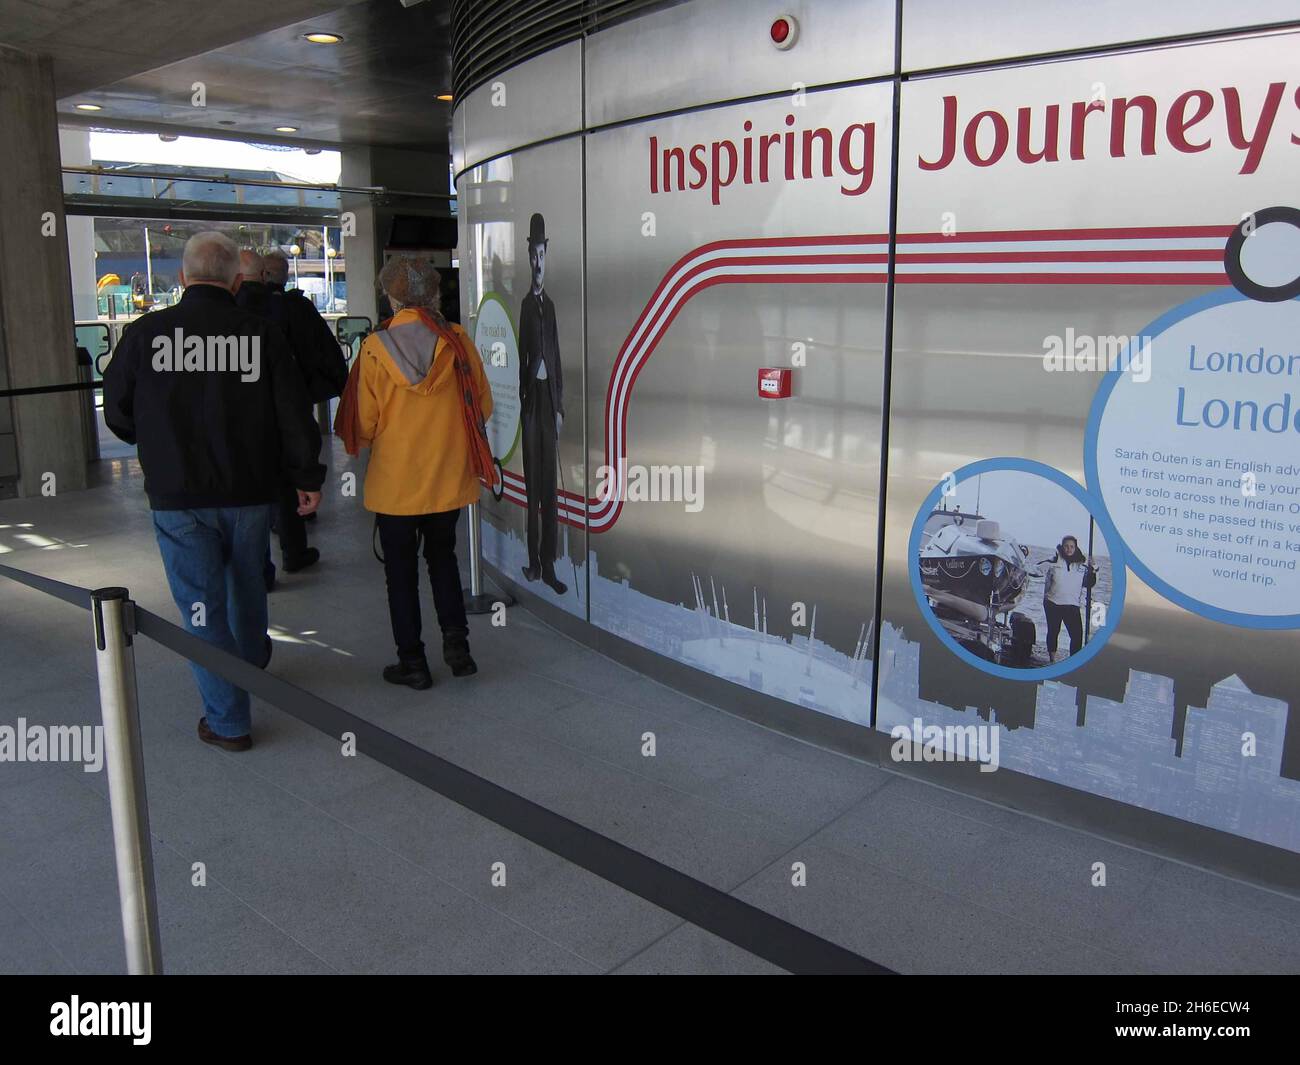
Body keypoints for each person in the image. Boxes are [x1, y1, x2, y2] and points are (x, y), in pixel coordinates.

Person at [103, 232, 325, 751]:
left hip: (178, 496)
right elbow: (294, 415)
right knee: (246, 583)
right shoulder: (262, 335)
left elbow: (117, 410)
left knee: (200, 607)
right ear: (237, 279)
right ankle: (248, 665)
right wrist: (307, 478)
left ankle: (228, 720)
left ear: (182, 277)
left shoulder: (146, 334)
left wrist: (153, 436)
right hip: (249, 491)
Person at [355, 256, 493, 689]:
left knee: (400, 572)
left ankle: (412, 663)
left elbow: (364, 423)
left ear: (392, 297)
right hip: (448, 478)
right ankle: (459, 649)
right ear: (434, 294)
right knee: (443, 559)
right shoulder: (456, 341)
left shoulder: (375, 349)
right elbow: (482, 406)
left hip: (396, 486)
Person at [517, 213, 567, 594]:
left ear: (546, 255)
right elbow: (520, 354)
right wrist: (521, 398)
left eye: (542, 253)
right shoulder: (524, 306)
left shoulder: (549, 306)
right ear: (528, 256)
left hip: (549, 403)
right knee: (533, 484)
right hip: (531, 402)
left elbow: (557, 354)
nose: (538, 261)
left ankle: (548, 563)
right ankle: (533, 562)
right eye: (533, 254)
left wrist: (560, 405)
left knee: (549, 486)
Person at [1039, 535, 1097, 662]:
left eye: (1072, 547)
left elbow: (1089, 584)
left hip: (1072, 605)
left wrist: (1092, 570)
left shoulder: (1082, 565)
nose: (1069, 549)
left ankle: (1073, 660)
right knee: (1053, 631)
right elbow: (1037, 570)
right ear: (1062, 547)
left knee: (1077, 636)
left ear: (1076, 548)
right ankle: (1052, 659)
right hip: (1053, 602)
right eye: (1066, 546)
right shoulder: (1054, 560)